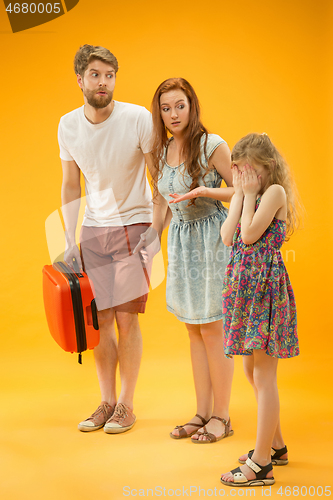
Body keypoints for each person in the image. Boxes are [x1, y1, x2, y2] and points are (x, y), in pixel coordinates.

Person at [58, 44, 160, 434]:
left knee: (126, 318)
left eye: (110, 75)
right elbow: (70, 184)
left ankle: (127, 406)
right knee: (98, 320)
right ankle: (106, 401)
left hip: (134, 224)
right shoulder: (67, 125)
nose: (103, 83)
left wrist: (154, 229)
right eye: (96, 75)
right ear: (80, 79)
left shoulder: (138, 118)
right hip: (94, 230)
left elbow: (158, 177)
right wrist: (71, 238)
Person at [150, 78, 235, 443]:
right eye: (166, 108)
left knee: (213, 329)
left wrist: (205, 191)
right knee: (193, 328)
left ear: (192, 104)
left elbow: (242, 190)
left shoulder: (212, 145)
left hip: (212, 239)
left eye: (179, 105)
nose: (173, 114)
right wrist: (151, 243)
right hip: (183, 245)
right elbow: (161, 202)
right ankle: (201, 412)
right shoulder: (161, 151)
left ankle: (222, 416)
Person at [220, 133, 300, 487]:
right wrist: (239, 194)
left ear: (264, 168)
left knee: (264, 376)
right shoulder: (246, 192)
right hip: (245, 290)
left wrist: (249, 195)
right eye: (237, 171)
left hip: (265, 291)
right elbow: (228, 236)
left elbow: (250, 235)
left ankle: (262, 463)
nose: (240, 176)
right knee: (252, 372)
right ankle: (276, 445)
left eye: (245, 170)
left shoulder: (274, 193)